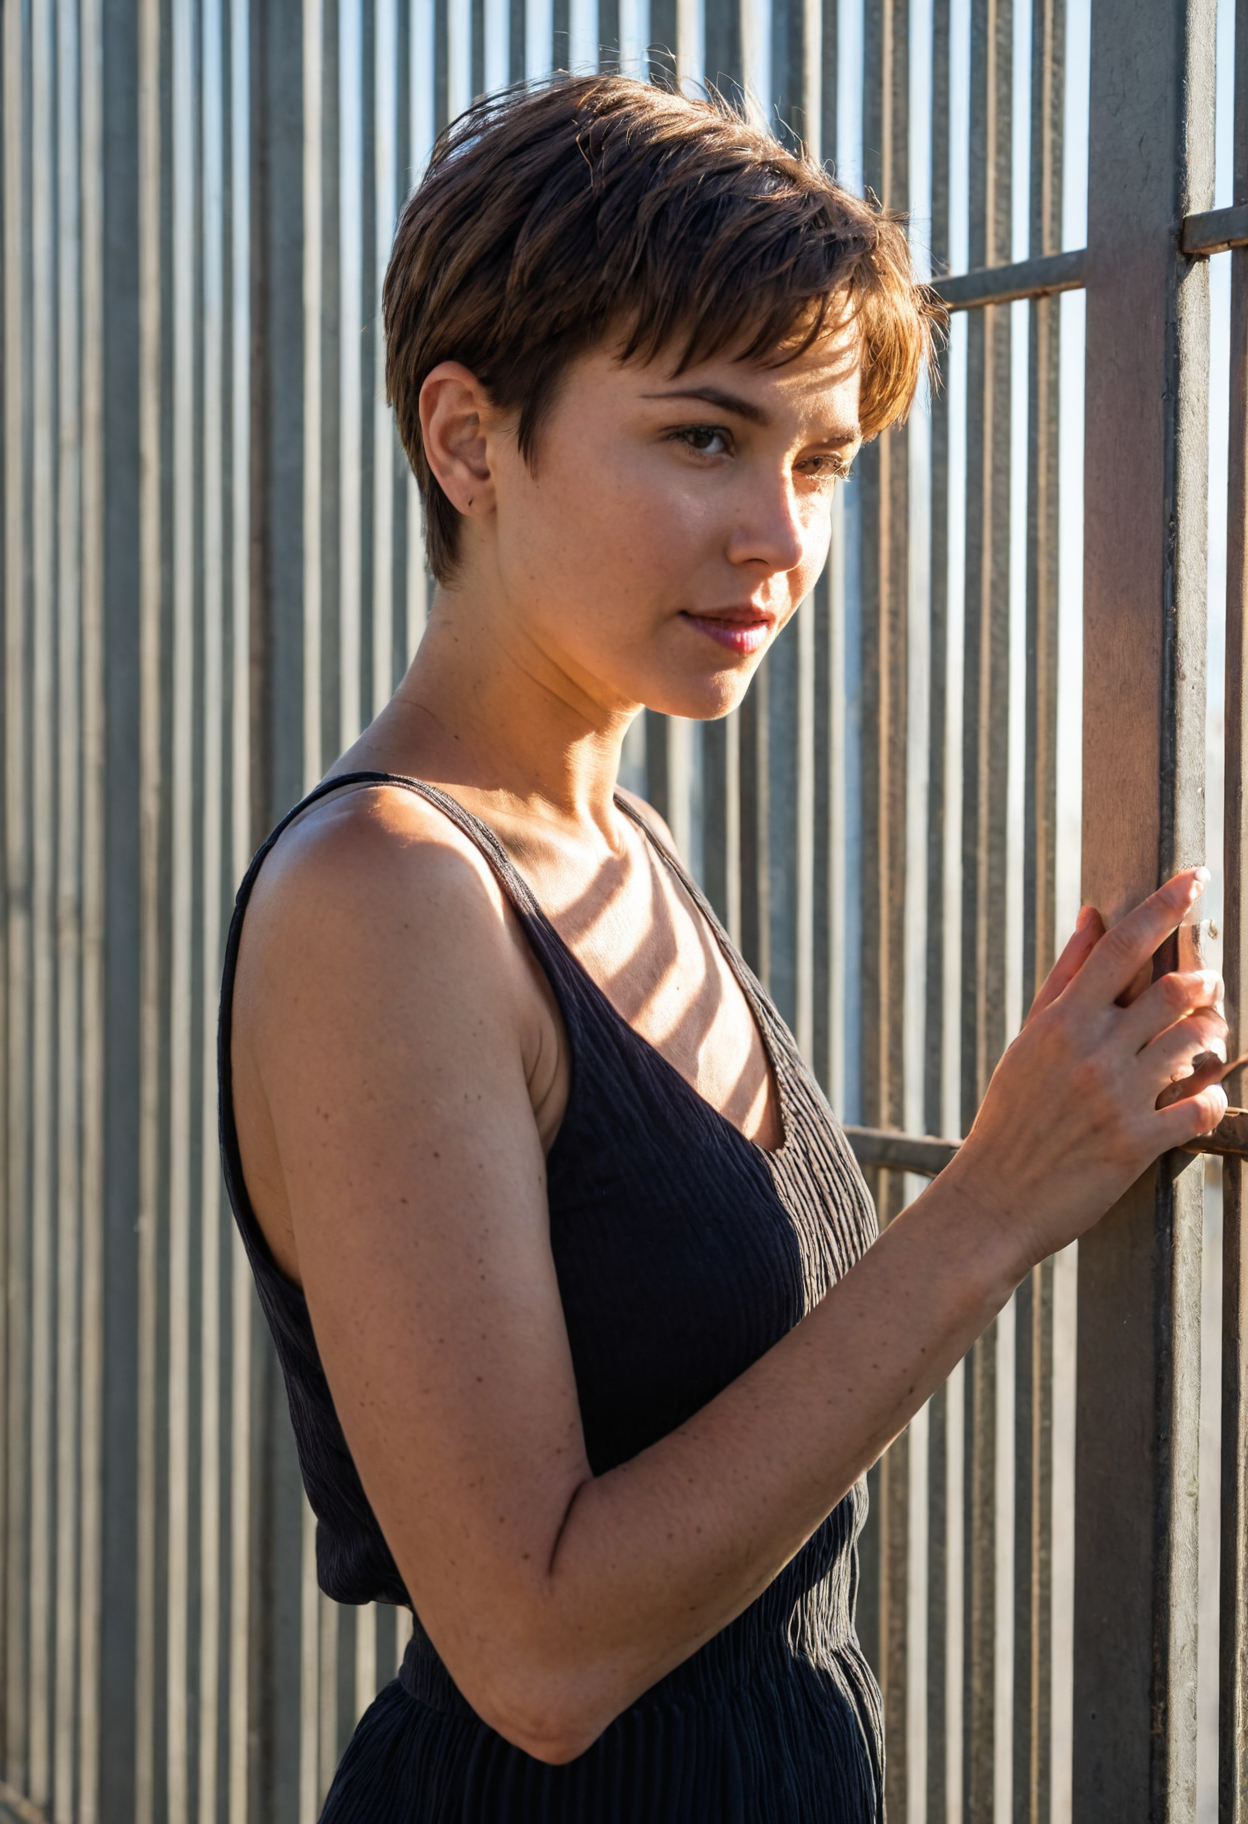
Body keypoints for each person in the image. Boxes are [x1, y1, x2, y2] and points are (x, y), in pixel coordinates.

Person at [218, 75, 1229, 1822]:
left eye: (820, 459)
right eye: (703, 437)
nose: (782, 536)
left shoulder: (623, 851)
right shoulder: (383, 898)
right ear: (470, 443)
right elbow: (535, 1656)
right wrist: (989, 1205)